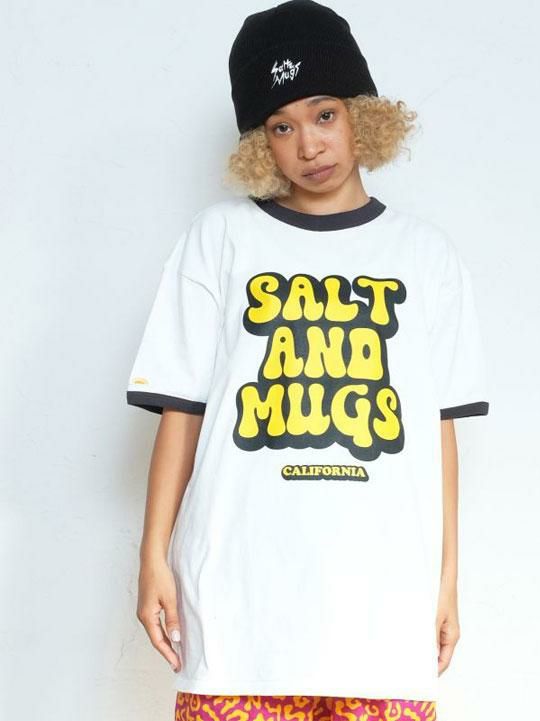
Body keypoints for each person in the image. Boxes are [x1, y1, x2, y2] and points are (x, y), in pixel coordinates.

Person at [125, 2, 490, 721]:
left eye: (324, 114)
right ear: (260, 144)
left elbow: (437, 429)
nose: (309, 145)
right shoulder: (219, 240)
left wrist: (446, 579)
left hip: (381, 612)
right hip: (237, 610)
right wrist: (152, 556)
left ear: (361, 115)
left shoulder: (425, 256)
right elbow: (181, 411)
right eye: (281, 126)